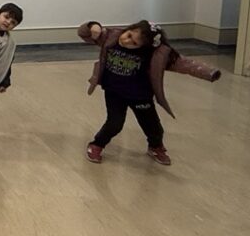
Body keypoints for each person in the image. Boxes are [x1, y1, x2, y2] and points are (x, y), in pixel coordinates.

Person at [79, 19, 221, 165]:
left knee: (153, 127)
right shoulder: (111, 37)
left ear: (144, 46)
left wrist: (210, 72)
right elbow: (84, 34)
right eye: (128, 35)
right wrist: (92, 26)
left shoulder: (156, 54)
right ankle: (97, 144)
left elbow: (185, 64)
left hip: (140, 96)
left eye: (134, 43)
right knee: (114, 123)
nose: (127, 41)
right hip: (114, 93)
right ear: (128, 28)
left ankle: (155, 146)